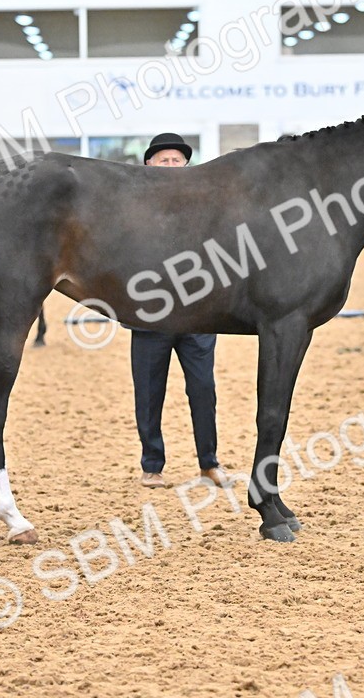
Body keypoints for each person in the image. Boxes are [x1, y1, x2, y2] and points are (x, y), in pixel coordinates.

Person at [131, 133, 229, 489]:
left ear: (187, 165)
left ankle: (209, 464)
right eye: (163, 160)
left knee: (204, 389)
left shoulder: (206, 205)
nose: (171, 166)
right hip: (150, 313)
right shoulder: (131, 209)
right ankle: (151, 466)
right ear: (148, 165)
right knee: (148, 391)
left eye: (177, 160)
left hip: (199, 313)